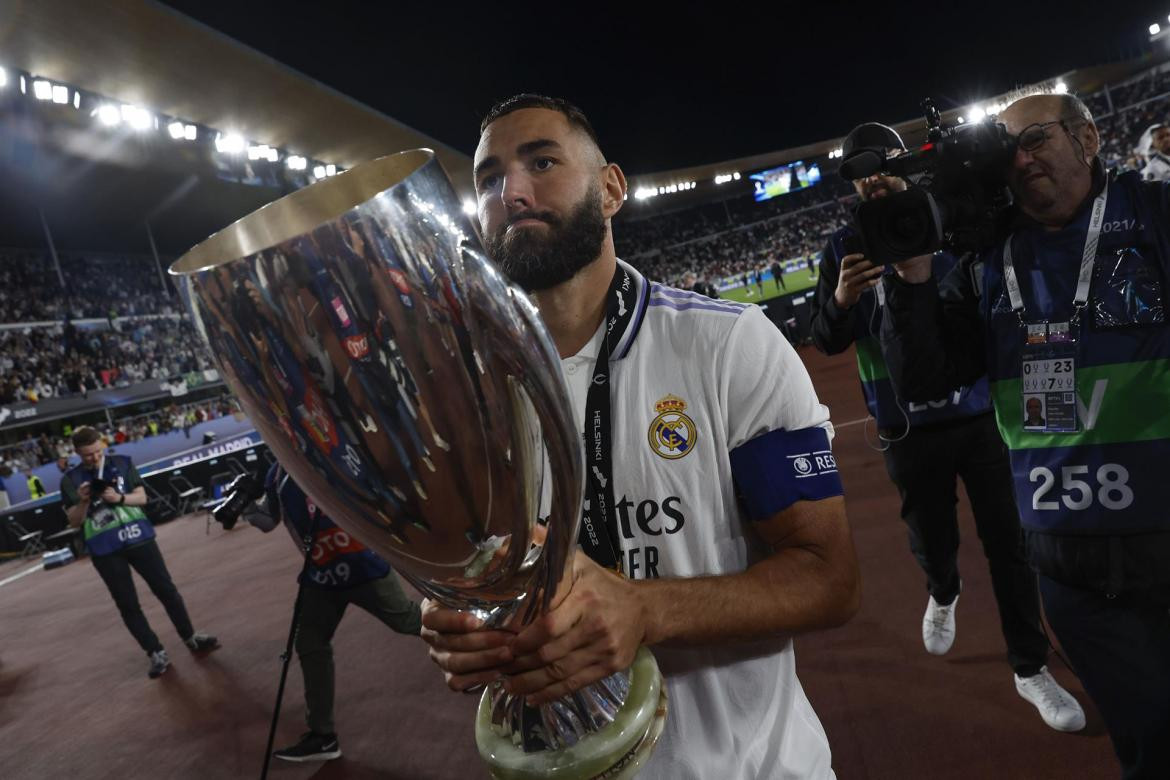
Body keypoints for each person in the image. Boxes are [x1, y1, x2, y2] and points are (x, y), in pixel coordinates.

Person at [420, 94, 860, 779]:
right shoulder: (465, 400)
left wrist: (644, 610)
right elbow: (484, 577)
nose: (512, 191)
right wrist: (466, 626)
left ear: (611, 187)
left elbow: (829, 579)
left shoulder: (728, 345)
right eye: (488, 179)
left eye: (542, 160)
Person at [881, 93, 1170, 778]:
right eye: (1006, 149)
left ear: (1089, 139)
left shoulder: (1153, 213)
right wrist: (914, 274)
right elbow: (923, 380)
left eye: (1035, 138)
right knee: (1152, 746)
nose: (1020, 158)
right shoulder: (987, 262)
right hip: (1073, 571)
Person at [810, 121, 1083, 732]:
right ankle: (942, 589)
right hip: (907, 429)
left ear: (904, 163)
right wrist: (845, 300)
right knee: (930, 538)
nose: (870, 180)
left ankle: (1029, 667)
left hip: (979, 412)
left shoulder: (948, 219)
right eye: (857, 174)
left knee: (1011, 545)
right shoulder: (844, 245)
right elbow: (826, 339)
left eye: (879, 165)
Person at [244, 463, 422, 763]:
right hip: (321, 576)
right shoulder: (275, 473)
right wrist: (247, 505)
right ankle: (322, 736)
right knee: (309, 642)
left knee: (406, 620)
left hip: (362, 564)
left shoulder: (330, 453)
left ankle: (482, 635)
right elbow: (267, 521)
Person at [59, 426, 219, 678]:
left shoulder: (122, 462)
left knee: (166, 590)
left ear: (102, 444)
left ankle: (190, 637)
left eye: (98, 451)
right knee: (128, 604)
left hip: (139, 537)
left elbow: (142, 497)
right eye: (88, 455)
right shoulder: (70, 480)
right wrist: (83, 501)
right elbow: (74, 521)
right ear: (78, 453)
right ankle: (155, 652)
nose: (95, 458)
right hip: (105, 549)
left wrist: (119, 498)